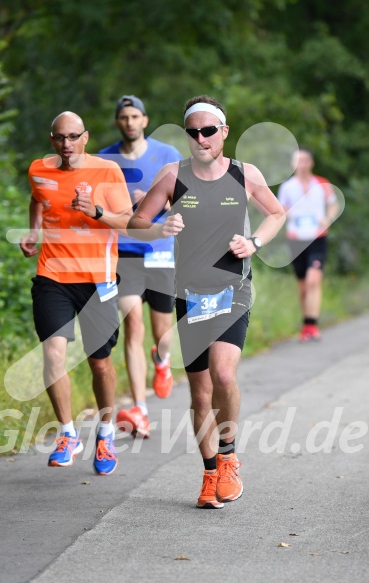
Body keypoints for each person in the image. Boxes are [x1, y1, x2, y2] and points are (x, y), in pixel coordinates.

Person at [127, 95, 285, 509]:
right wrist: (161, 227)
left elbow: (276, 213)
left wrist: (254, 242)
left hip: (233, 289)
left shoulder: (244, 174)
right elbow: (136, 223)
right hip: (189, 294)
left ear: (224, 133)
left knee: (224, 375)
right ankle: (210, 471)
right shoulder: (172, 175)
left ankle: (229, 456)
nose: (200, 138)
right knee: (200, 395)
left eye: (208, 131)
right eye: (193, 132)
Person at [20, 111, 132, 475]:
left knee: (99, 362)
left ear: (85, 137)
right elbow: (38, 199)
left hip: (97, 279)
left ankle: (105, 432)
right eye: (59, 138)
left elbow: (128, 220)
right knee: (53, 353)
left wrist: (96, 211)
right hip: (52, 275)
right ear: (51, 139)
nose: (66, 145)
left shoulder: (107, 172)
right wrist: (34, 230)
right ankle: (68, 433)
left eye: (72, 137)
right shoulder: (39, 169)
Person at [99, 95, 182, 438]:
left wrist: (150, 202)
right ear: (118, 122)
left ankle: (161, 361)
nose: (129, 121)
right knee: (133, 323)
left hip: (160, 249)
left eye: (135, 116)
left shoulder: (168, 156)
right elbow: (98, 208)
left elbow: (184, 202)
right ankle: (141, 409)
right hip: (124, 251)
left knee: (162, 331)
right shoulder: (103, 159)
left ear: (145, 120)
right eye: (123, 117)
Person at [278, 147, 339, 341]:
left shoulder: (322, 183)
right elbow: (280, 211)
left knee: (314, 280)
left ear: (311, 163)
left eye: (305, 161)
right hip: (296, 239)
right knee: (304, 286)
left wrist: (328, 218)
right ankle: (306, 324)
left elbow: (334, 204)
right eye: (298, 161)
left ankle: (313, 325)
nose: (301, 165)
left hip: (317, 237)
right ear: (292, 164)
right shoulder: (287, 187)